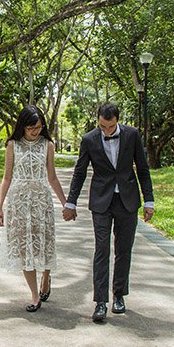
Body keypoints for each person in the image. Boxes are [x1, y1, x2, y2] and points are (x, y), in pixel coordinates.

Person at [64, 102, 154, 323]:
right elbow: (80, 172)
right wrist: (71, 202)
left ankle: (119, 295)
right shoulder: (88, 139)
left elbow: (142, 168)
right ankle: (100, 302)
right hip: (101, 201)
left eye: (110, 126)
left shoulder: (132, 135)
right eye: (102, 126)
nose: (106, 131)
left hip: (127, 200)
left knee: (124, 250)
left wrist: (149, 200)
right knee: (102, 249)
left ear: (117, 121)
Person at [0, 105, 68, 312]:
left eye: (38, 127)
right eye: (30, 128)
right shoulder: (12, 145)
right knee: (24, 247)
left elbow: (52, 177)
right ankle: (35, 295)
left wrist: (66, 203)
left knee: (42, 244)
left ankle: (46, 276)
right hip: (18, 201)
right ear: (22, 127)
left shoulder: (48, 145)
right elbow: (7, 177)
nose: (35, 131)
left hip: (41, 200)